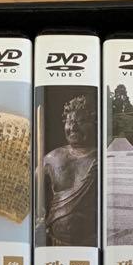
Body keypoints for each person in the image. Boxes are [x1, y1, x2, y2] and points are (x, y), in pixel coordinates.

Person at [38, 94, 97, 247]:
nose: (73, 128)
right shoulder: (52, 158)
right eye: (70, 122)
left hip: (90, 243)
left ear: (94, 123)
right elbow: (31, 194)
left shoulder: (101, 160)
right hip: (55, 241)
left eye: (81, 122)